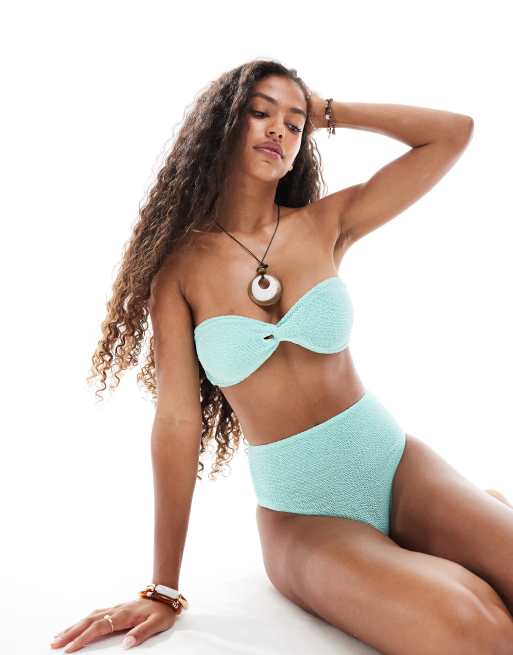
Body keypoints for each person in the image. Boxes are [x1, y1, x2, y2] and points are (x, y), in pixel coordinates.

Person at [51, 59, 513, 654]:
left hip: (396, 465)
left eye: (294, 124)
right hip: (305, 515)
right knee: (478, 629)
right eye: (260, 112)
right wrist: (163, 588)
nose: (278, 129)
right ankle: (456, 539)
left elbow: (453, 132)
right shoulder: (180, 273)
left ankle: (458, 527)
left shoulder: (326, 224)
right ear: (223, 126)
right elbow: (177, 423)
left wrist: (329, 112)